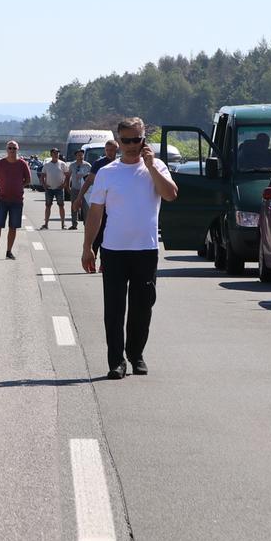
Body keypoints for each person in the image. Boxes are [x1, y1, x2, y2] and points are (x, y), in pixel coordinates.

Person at [81, 118, 178, 379]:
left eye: (138, 139)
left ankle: (136, 353)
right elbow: (95, 214)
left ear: (144, 139)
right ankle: (116, 361)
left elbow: (170, 194)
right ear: (118, 141)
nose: (133, 145)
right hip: (113, 250)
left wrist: (151, 167)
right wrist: (88, 246)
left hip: (145, 250)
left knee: (142, 306)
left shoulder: (156, 166)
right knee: (113, 309)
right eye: (127, 141)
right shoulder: (107, 173)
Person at [0, 142, 30, 260]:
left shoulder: (22, 164)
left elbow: (28, 180)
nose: (12, 150)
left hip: (17, 200)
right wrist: (4, 185)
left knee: (13, 227)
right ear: (6, 149)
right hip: (2, 199)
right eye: (10, 148)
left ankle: (9, 251)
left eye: (14, 148)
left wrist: (19, 186)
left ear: (17, 149)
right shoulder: (0, 163)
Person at [80, 140, 119, 256]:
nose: (109, 153)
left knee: (111, 234)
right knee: (98, 232)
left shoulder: (121, 163)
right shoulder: (99, 163)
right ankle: (92, 255)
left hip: (115, 205)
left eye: (112, 150)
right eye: (107, 150)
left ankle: (105, 262)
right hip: (101, 204)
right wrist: (79, 197)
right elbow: (89, 181)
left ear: (117, 150)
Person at [40, 148, 68, 229]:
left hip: (59, 188)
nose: (56, 154)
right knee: (48, 206)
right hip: (49, 189)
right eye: (54, 153)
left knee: (61, 206)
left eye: (57, 153)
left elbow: (67, 175)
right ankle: (46, 224)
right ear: (51, 154)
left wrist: (64, 184)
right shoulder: (47, 165)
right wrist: (44, 185)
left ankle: (63, 224)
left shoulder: (62, 164)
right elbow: (42, 176)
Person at [66, 150, 91, 230]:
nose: (81, 157)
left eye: (82, 155)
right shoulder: (72, 165)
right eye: (79, 155)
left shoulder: (87, 165)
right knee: (74, 206)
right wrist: (67, 186)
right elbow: (68, 176)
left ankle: (86, 224)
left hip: (85, 190)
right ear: (76, 156)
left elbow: (91, 177)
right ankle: (74, 224)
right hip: (75, 188)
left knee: (85, 207)